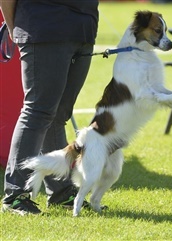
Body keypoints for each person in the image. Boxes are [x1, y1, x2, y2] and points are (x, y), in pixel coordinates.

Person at [0, 0, 99, 215]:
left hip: (83, 29)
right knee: (37, 111)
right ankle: (15, 195)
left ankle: (61, 192)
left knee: (58, 115)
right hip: (43, 27)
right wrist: (12, 26)